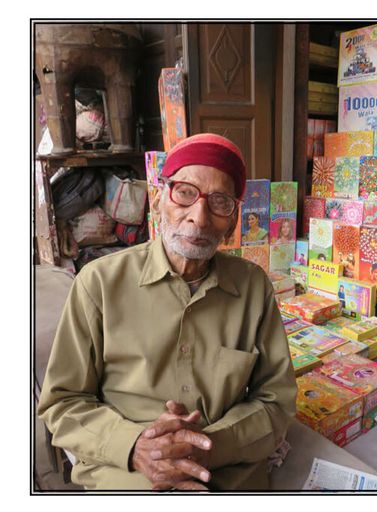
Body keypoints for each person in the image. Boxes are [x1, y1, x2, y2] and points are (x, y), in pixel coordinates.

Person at [37, 133, 296, 490]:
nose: (199, 218)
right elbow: (62, 405)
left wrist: (209, 447)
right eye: (185, 193)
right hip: (127, 477)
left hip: (226, 477)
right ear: (159, 200)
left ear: (234, 221)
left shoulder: (253, 287)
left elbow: (276, 402)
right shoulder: (98, 282)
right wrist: (137, 447)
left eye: (219, 202)